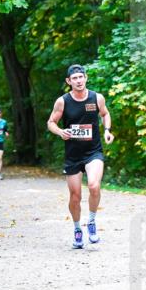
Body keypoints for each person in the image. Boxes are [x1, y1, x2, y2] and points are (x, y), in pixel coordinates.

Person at [46, 64, 114, 249]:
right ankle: (77, 229)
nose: (78, 80)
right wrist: (60, 132)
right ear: (69, 81)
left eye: (81, 77)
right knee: (75, 196)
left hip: (93, 152)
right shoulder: (63, 101)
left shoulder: (96, 98)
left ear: (86, 78)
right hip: (73, 155)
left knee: (94, 185)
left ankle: (91, 222)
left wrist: (107, 130)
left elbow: (105, 114)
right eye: (74, 78)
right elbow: (51, 122)